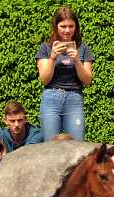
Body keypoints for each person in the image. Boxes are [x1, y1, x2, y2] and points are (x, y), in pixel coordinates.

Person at [35, 7, 95, 142]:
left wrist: (77, 60)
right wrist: (53, 57)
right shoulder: (45, 48)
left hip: (74, 98)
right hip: (51, 98)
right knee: (51, 147)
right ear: (56, 27)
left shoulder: (83, 48)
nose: (67, 30)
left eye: (71, 26)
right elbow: (44, 80)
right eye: (63, 26)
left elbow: (87, 81)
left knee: (77, 146)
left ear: (76, 27)